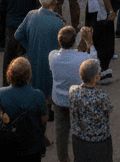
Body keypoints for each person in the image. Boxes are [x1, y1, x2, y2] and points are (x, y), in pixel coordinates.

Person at [51, 25, 95, 162]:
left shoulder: (52, 56)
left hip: (59, 100)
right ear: (74, 42)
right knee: (80, 131)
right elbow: (95, 63)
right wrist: (89, 43)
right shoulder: (81, 58)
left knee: (61, 132)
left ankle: (63, 159)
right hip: (77, 100)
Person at [0, 0, 43, 84]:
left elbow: (0, 6)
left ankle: (6, 85)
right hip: (27, 29)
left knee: (9, 59)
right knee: (29, 60)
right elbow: (38, 10)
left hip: (11, 26)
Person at [0, 57, 49, 160]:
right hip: (32, 145)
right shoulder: (38, 95)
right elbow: (44, 119)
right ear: (29, 75)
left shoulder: (0, 93)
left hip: (10, 145)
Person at [19, 0, 66, 95]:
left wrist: (29, 47)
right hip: (49, 64)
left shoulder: (31, 14)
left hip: (33, 57)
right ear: (54, 2)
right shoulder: (58, 23)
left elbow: (19, 35)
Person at [70, 58, 116, 162]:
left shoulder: (73, 91)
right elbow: (109, 110)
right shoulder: (102, 97)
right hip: (100, 142)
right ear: (96, 78)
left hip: (79, 139)